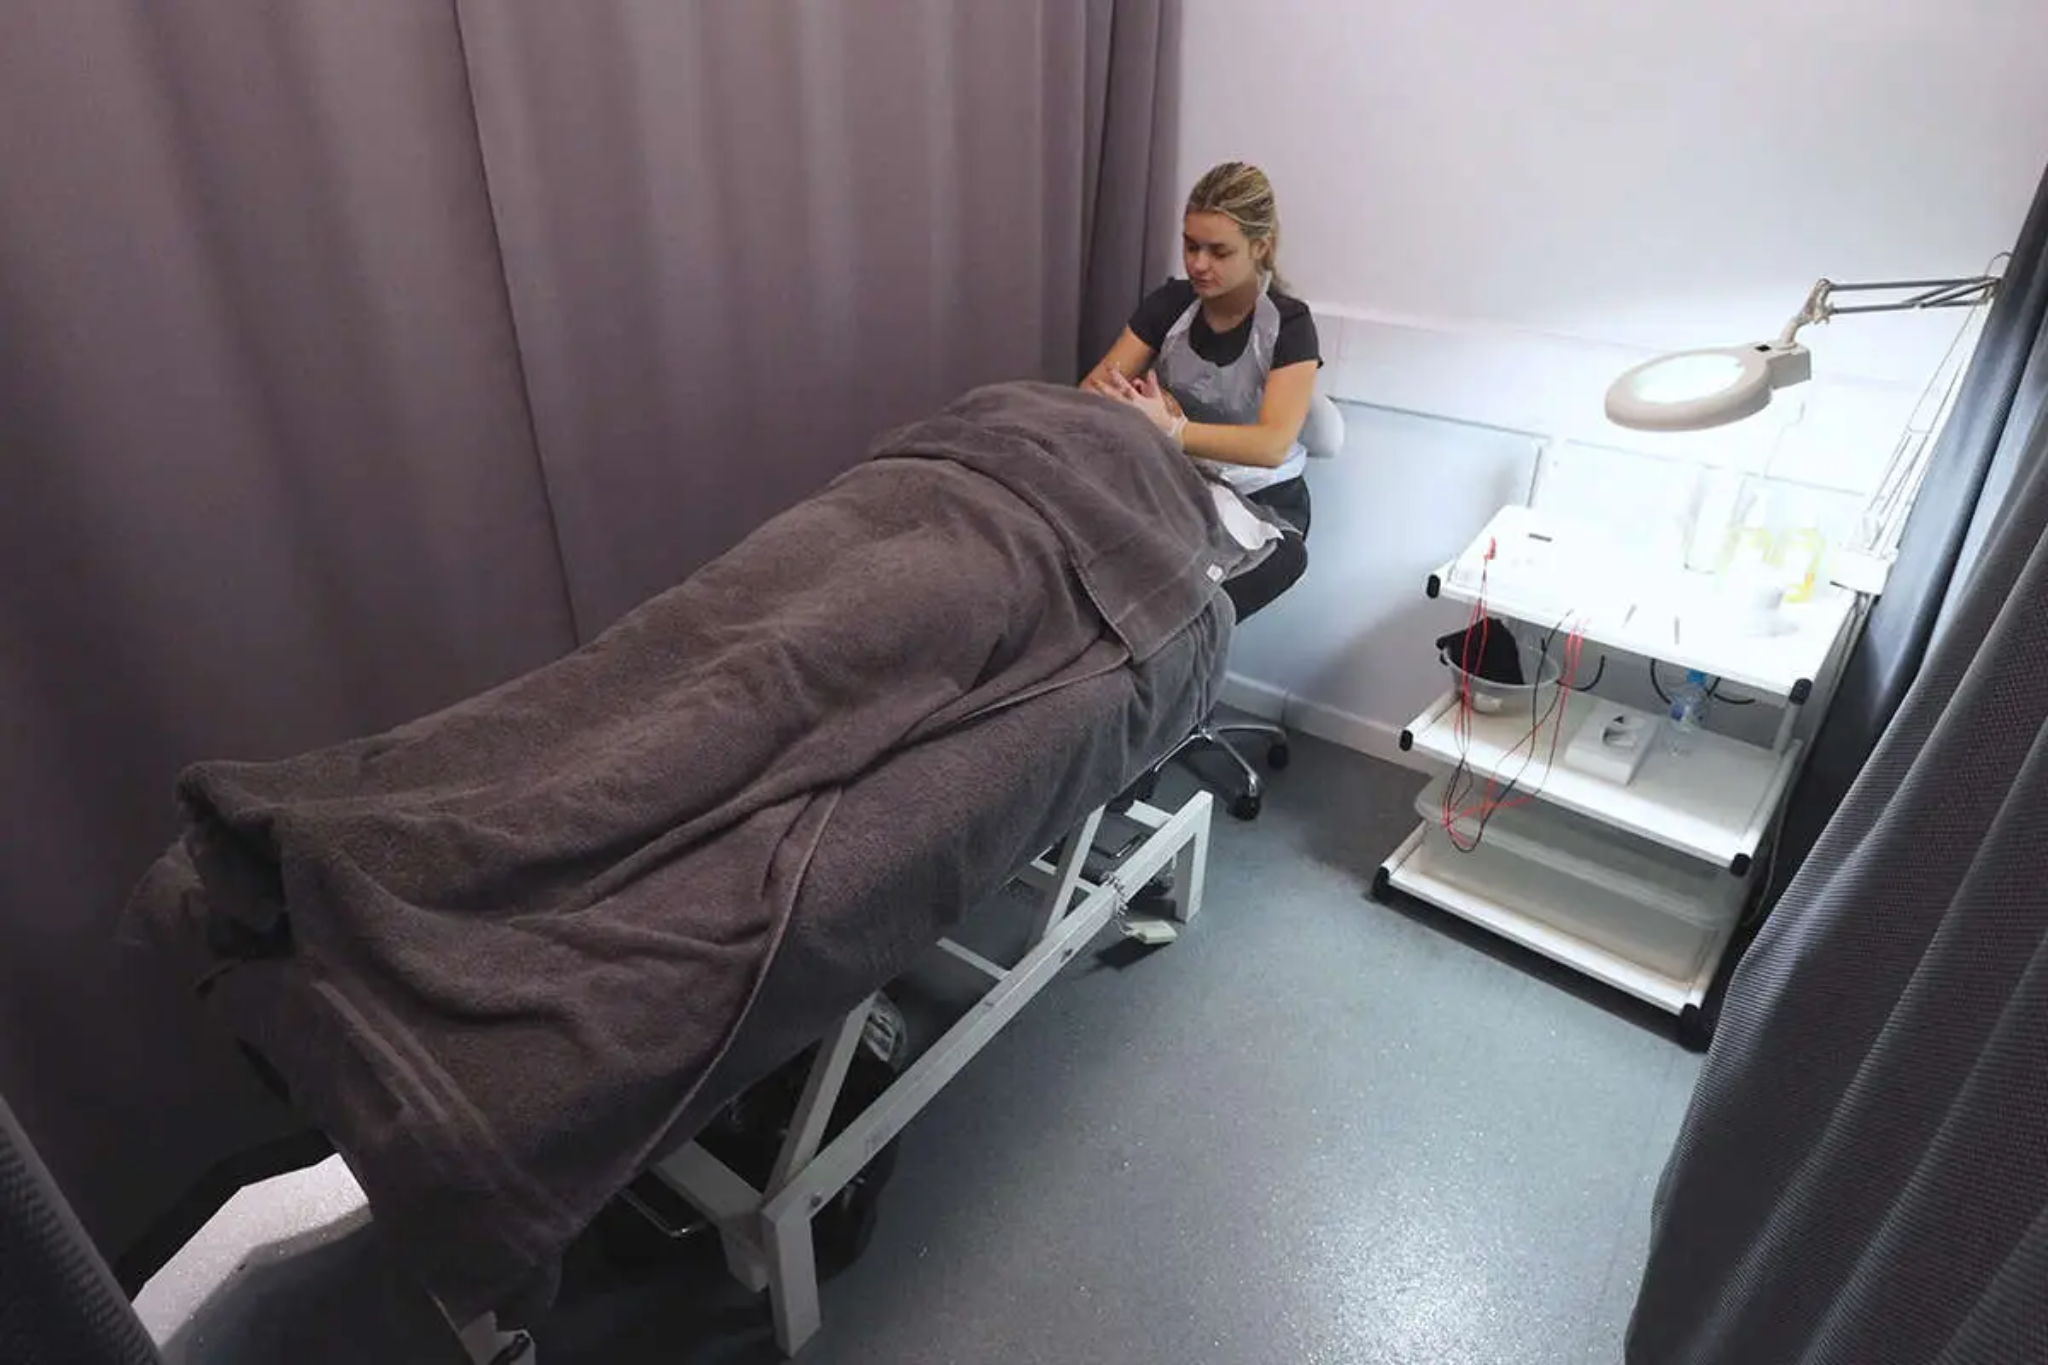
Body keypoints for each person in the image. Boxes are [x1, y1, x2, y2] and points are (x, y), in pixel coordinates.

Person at [1083, 160, 1319, 620]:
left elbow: (1272, 444)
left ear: (1260, 247)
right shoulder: (1171, 303)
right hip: (1178, 481)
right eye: (1191, 246)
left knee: (1181, 612)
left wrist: (1173, 428)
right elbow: (1092, 392)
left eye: (1218, 251)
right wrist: (1138, 402)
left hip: (1262, 501)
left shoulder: (1288, 324)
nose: (1198, 263)